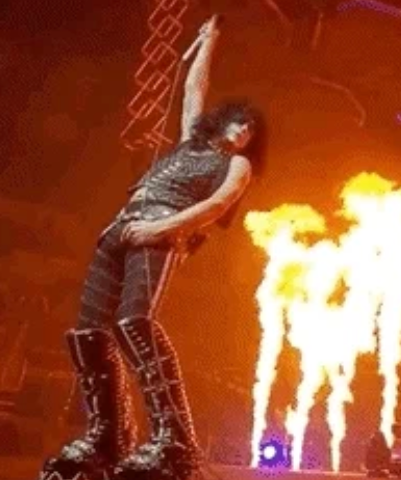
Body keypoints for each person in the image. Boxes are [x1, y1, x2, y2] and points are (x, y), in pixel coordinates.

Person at [40, 15, 264, 480]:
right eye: (240, 121)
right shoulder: (190, 142)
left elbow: (218, 205)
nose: (244, 131)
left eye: (251, 130)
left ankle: (174, 440)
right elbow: (193, 90)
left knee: (135, 324)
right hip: (121, 226)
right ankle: (108, 435)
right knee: (88, 334)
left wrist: (163, 229)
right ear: (224, 119)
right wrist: (210, 41)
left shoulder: (237, 164)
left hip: (160, 229)